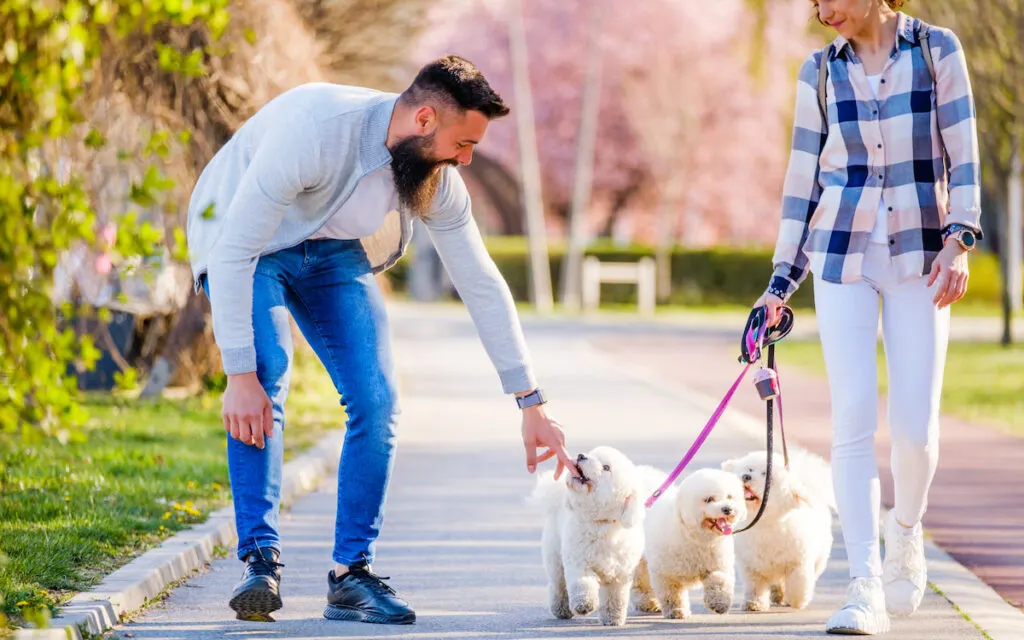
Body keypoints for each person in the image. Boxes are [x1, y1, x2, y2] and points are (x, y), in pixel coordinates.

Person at [185, 55, 580, 625]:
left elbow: (481, 283)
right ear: (424, 119)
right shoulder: (316, 132)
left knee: (378, 401)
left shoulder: (436, 178)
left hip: (330, 254)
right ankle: (259, 561)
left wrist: (530, 401)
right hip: (247, 245)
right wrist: (239, 374)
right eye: (462, 144)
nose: (466, 160)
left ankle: (351, 576)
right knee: (266, 379)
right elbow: (234, 249)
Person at [753, 1, 981, 635]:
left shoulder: (937, 51)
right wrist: (780, 283)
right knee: (851, 418)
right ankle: (863, 587)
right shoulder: (818, 72)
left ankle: (903, 529)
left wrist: (960, 239)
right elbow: (804, 180)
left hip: (921, 255)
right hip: (839, 255)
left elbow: (963, 151)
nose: (823, 10)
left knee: (915, 430)